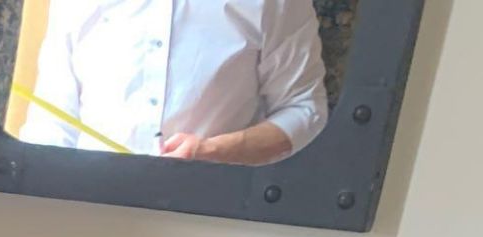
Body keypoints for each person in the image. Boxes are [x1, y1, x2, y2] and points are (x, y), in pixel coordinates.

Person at [18, 0, 329, 164]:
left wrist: (214, 151)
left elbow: (304, 110)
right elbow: (52, 122)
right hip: (82, 209)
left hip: (215, 217)